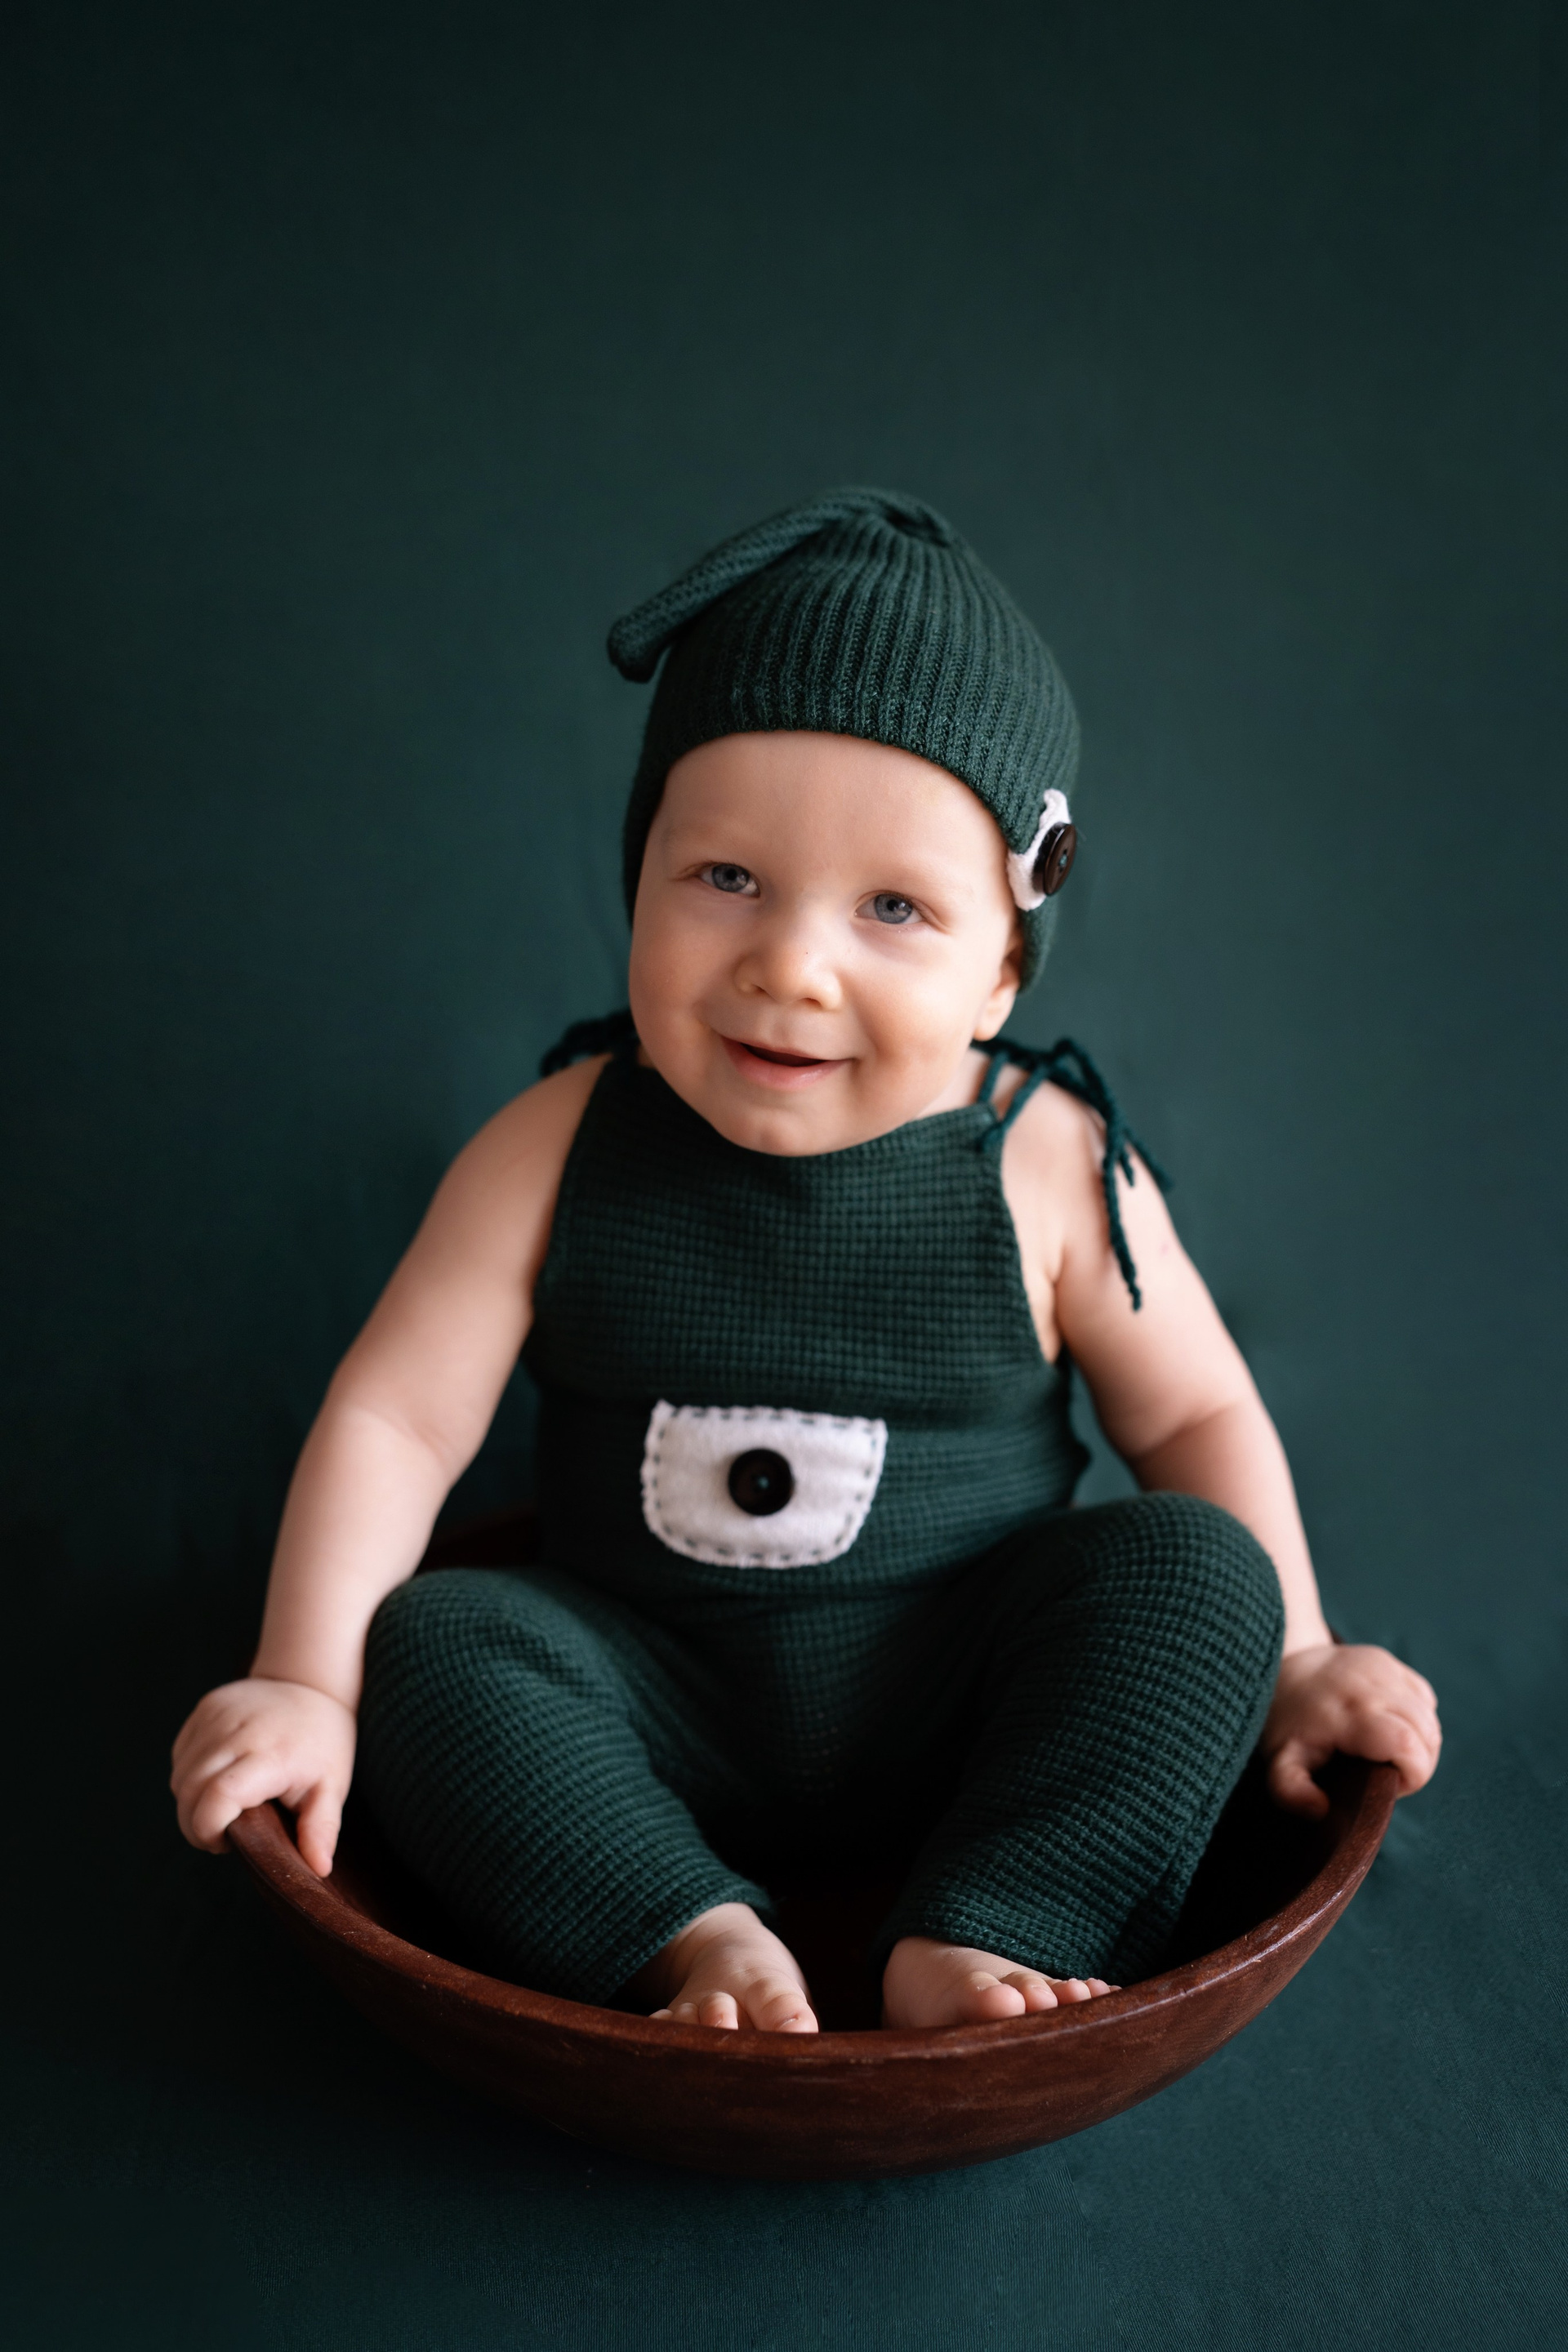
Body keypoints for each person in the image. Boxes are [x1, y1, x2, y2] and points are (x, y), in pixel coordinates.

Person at [171, 489, 1441, 2034]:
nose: (791, 963)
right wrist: (306, 1678)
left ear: (1002, 971)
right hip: (647, 1697)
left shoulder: (1045, 1162)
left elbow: (1195, 1417)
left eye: (894, 908)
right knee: (435, 1646)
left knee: (1195, 1575)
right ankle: (692, 1936)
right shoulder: (557, 1143)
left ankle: (992, 1920)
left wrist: (1298, 1655)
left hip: (967, 1694)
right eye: (725, 879)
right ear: (637, 876)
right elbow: (398, 1419)